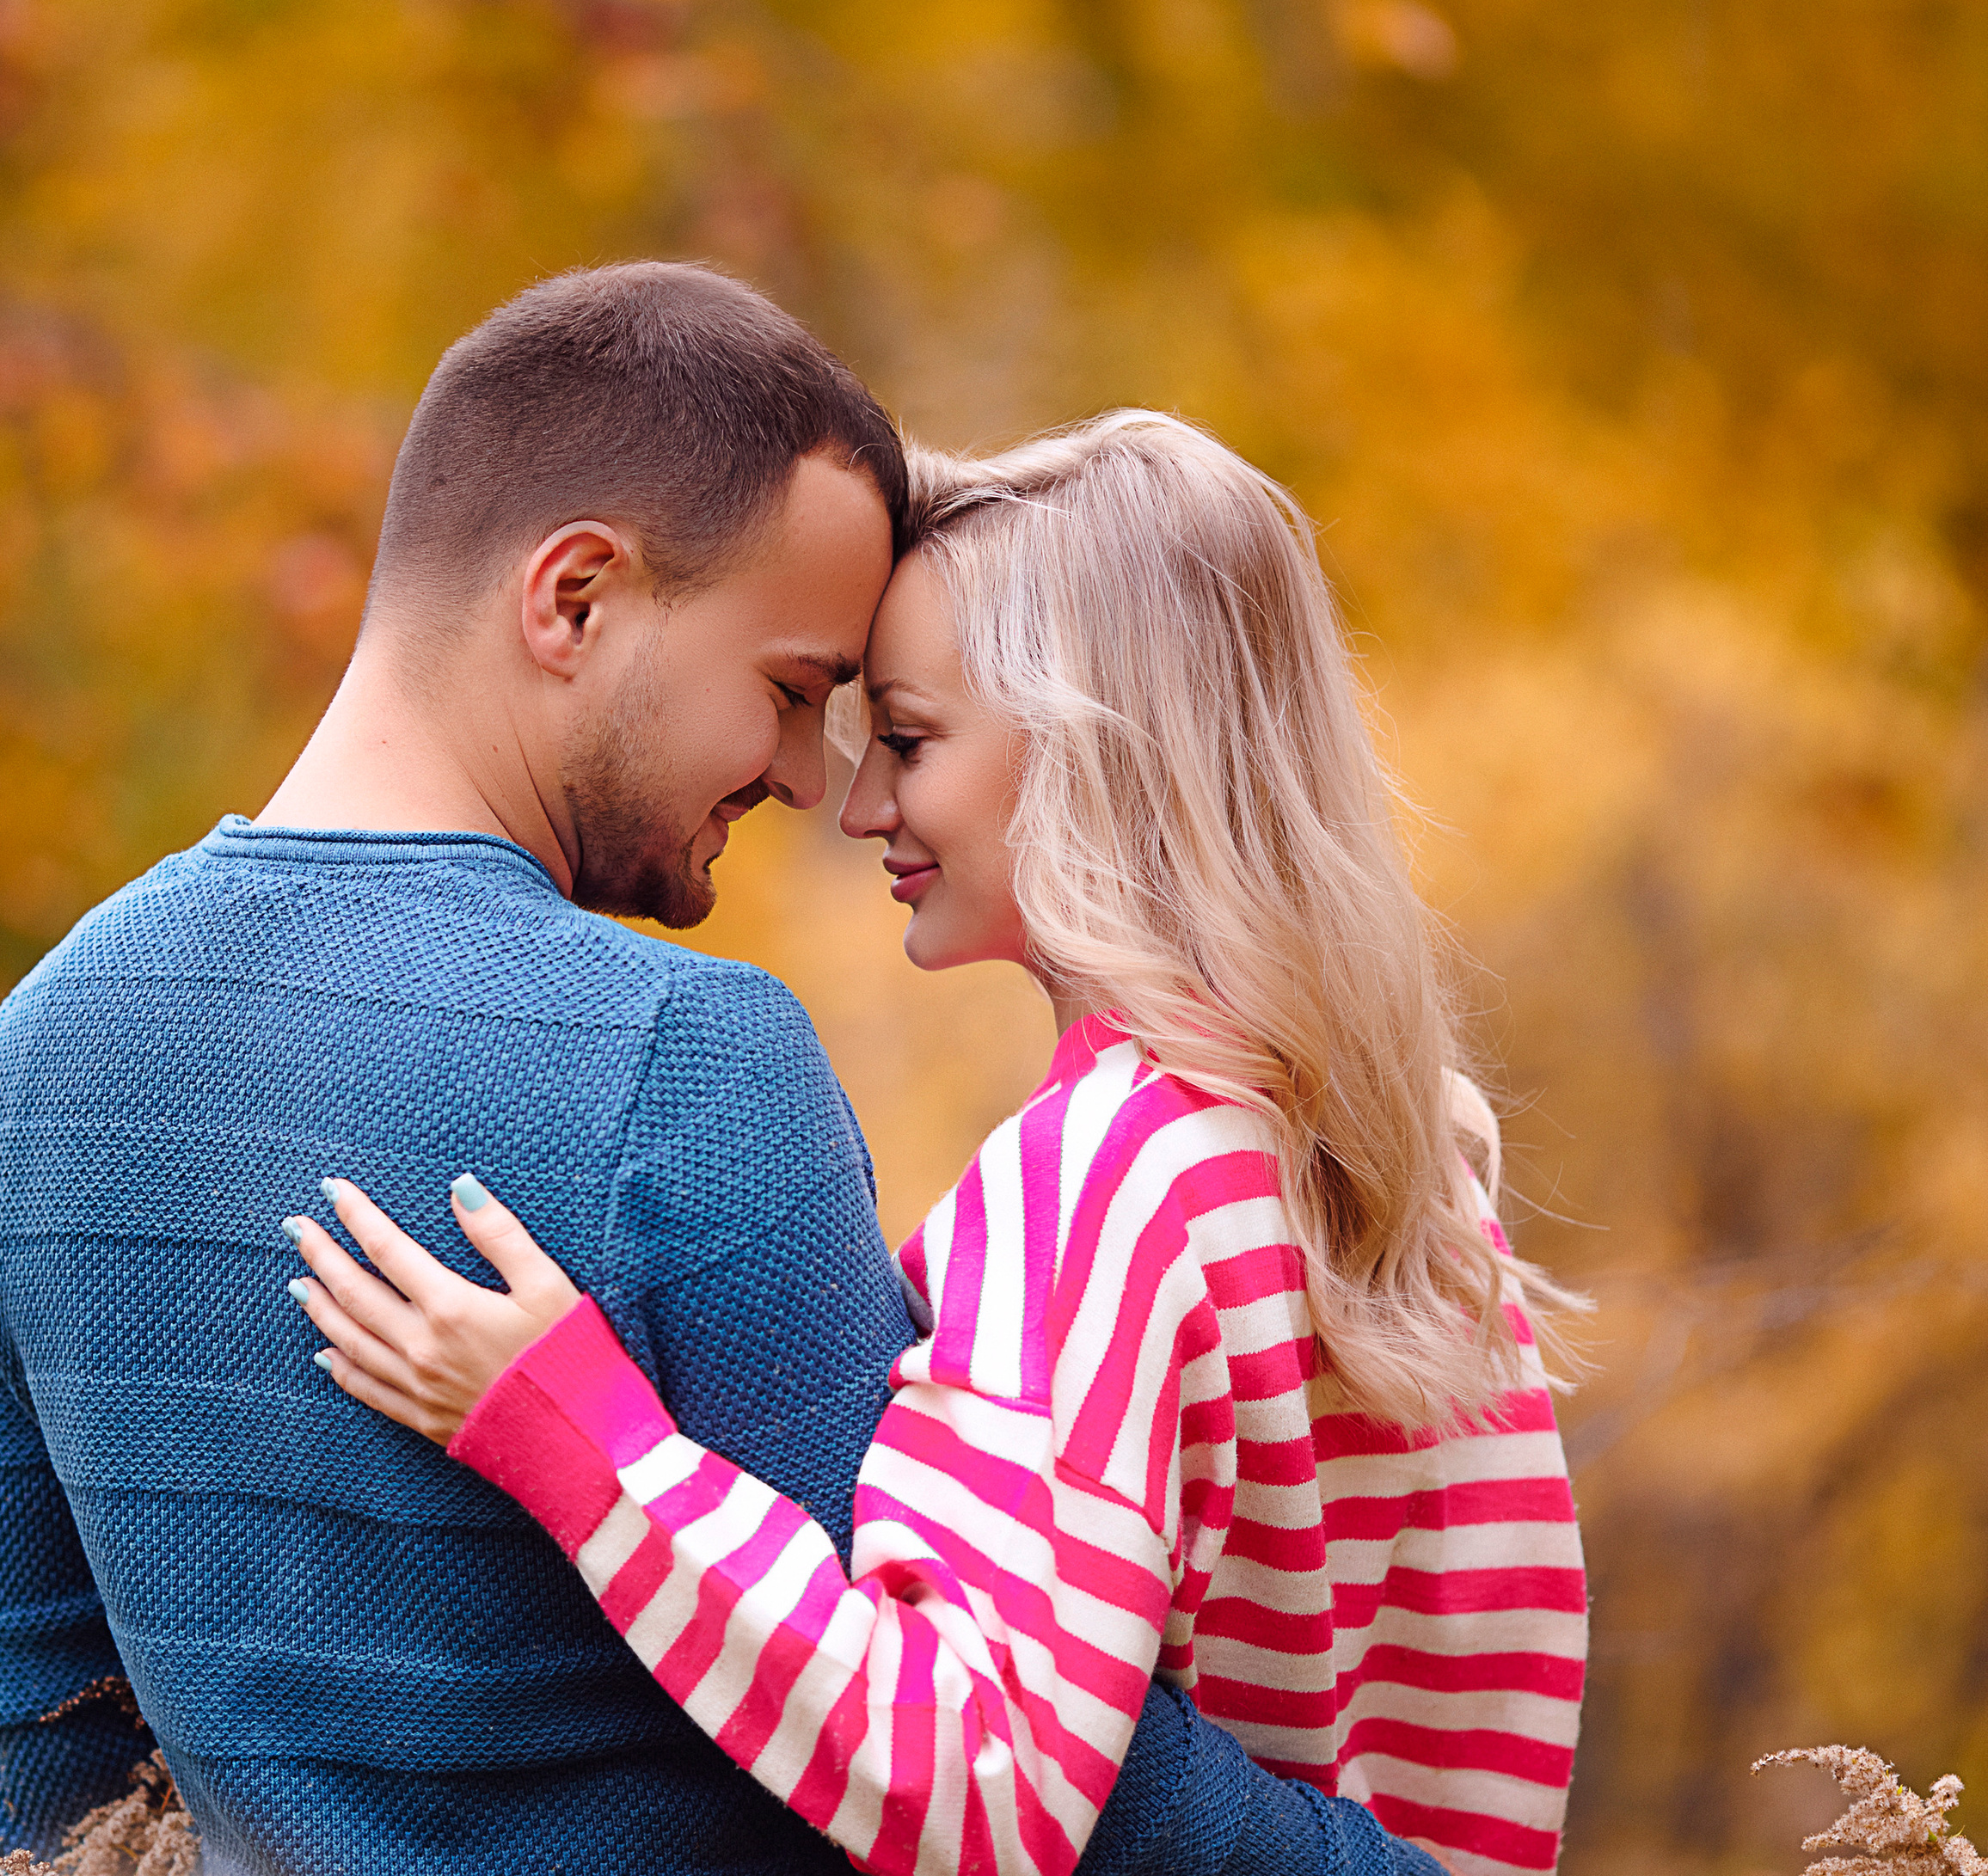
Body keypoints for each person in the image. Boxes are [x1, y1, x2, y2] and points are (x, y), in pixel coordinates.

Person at [0, 268, 1389, 1876]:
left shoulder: (30, 1065)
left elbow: (38, 1736)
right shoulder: (683, 1064)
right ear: (573, 600)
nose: (799, 776)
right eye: (791, 691)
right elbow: (952, 1731)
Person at [287, 412, 1590, 1876]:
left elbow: (982, 1787)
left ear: (1100, 749)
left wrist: (580, 1435)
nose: (857, 806)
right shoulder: (1400, 1159)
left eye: (907, 740)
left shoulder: (1115, 1177)